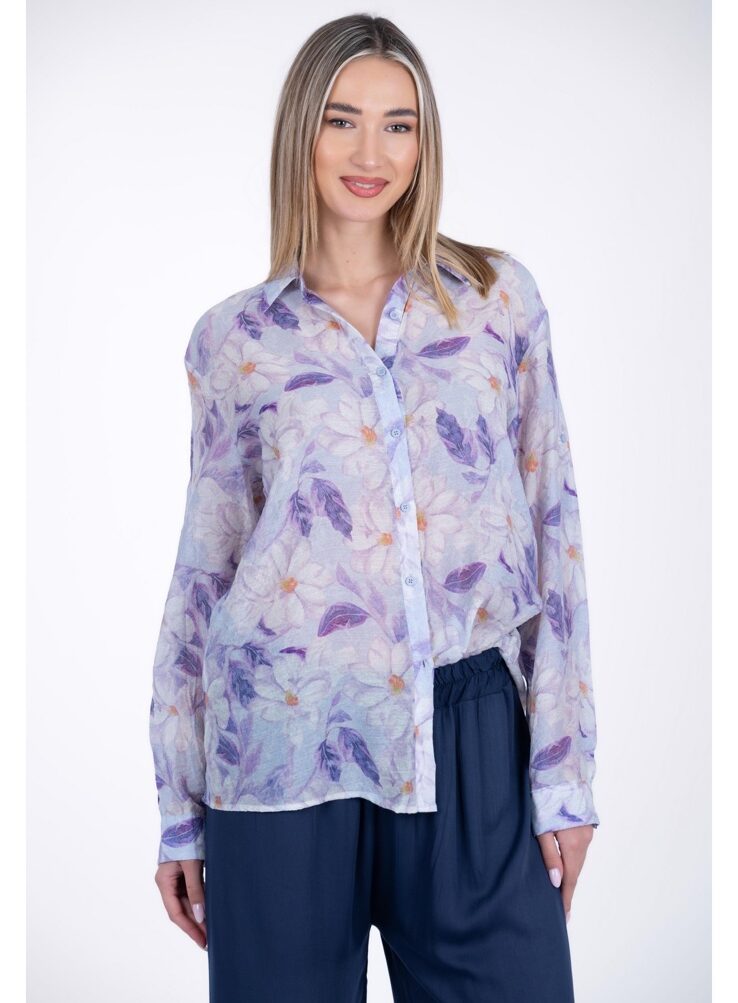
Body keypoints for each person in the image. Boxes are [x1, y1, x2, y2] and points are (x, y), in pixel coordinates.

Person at [149, 12, 600, 1002]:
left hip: (471, 732)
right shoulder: (235, 341)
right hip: (282, 743)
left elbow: (554, 525)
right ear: (301, 131)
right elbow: (207, 572)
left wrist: (565, 771)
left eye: (399, 125)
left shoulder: (496, 301)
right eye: (342, 120)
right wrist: (180, 808)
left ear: (424, 143)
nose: (371, 153)